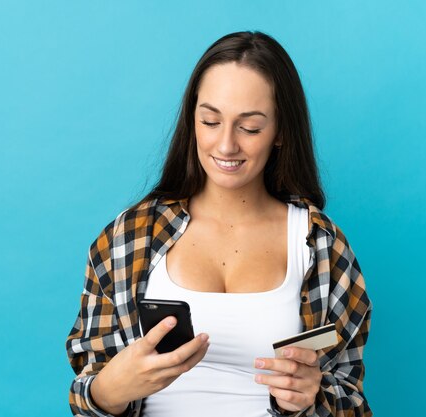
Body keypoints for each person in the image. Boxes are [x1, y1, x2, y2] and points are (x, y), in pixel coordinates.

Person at [65, 31, 373, 417]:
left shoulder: (320, 246)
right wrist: (109, 390)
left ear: (280, 133)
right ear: (192, 119)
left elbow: (350, 399)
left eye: (250, 128)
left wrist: (310, 399)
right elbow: (85, 390)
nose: (226, 145)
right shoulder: (129, 239)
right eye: (210, 121)